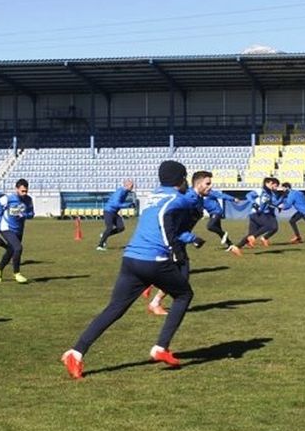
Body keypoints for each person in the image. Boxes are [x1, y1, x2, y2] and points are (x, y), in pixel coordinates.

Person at [61, 160, 201, 380]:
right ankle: (161, 347)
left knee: (115, 308)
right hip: (154, 260)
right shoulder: (178, 198)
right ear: (181, 179)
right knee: (184, 295)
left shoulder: (154, 196)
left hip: (131, 258)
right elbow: (178, 213)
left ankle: (76, 352)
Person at [145, 170, 211, 315]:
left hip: (179, 242)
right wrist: (192, 238)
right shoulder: (186, 199)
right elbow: (174, 228)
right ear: (198, 184)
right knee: (180, 277)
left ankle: (152, 291)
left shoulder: (198, 199)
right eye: (207, 183)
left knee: (180, 276)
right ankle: (156, 302)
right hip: (172, 242)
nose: (210, 186)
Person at [0, 178, 35, 283]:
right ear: (16, 189)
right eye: (22, 191)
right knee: (18, 248)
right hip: (6, 228)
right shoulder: (8, 199)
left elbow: (31, 214)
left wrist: (25, 215)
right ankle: (17, 273)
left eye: (26, 191)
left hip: (19, 229)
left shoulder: (28, 200)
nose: (24, 193)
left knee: (11, 251)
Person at [234, 176, 281, 249]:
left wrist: (278, 205)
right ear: (266, 183)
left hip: (258, 214)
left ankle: (236, 247)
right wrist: (254, 203)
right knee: (269, 226)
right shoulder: (260, 191)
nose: (273, 186)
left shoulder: (271, 194)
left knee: (250, 234)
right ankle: (254, 237)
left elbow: (273, 203)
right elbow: (248, 195)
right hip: (256, 214)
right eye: (272, 184)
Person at [96, 179, 136, 250]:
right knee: (109, 228)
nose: (132, 187)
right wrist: (128, 205)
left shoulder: (126, 192)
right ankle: (100, 245)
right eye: (131, 186)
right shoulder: (120, 192)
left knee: (121, 227)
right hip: (108, 211)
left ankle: (104, 235)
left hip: (114, 212)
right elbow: (116, 204)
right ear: (126, 185)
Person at [202, 186, 240, 250]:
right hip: (212, 213)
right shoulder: (199, 197)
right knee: (219, 230)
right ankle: (230, 245)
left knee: (210, 226)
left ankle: (224, 233)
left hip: (217, 212)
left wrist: (233, 199)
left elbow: (222, 195)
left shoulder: (210, 193)